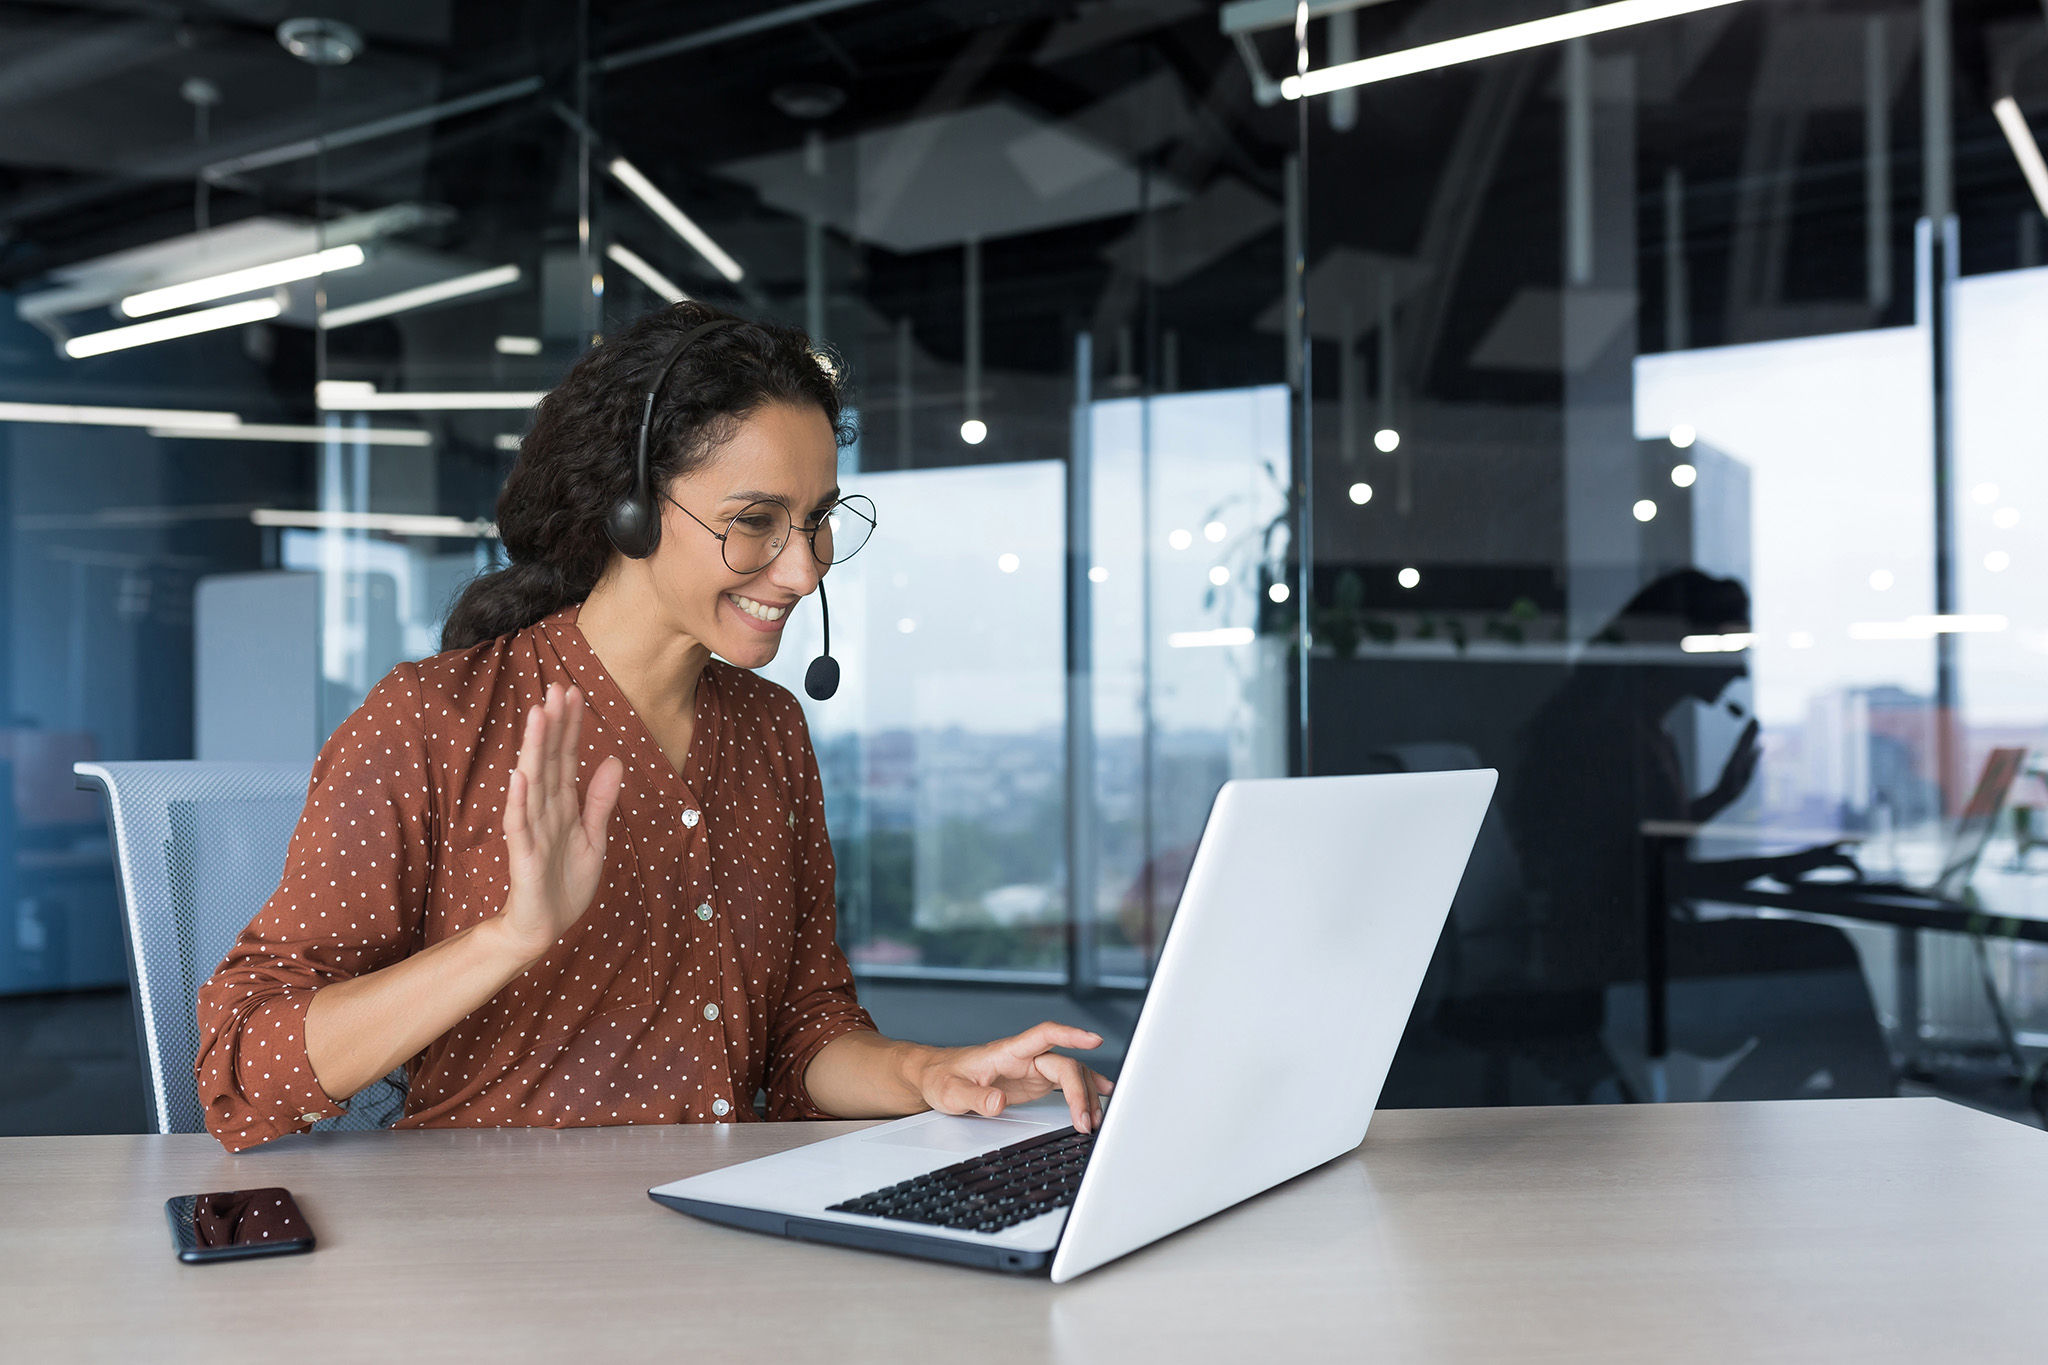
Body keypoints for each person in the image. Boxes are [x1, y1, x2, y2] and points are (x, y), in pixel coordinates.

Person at [194, 303, 1112, 1153]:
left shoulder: (769, 730)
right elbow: (245, 1069)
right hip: (485, 1254)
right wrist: (508, 936)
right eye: (754, 522)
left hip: (720, 1227)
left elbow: (804, 1034)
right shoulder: (434, 720)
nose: (801, 572)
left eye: (819, 521)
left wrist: (931, 1072)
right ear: (630, 504)